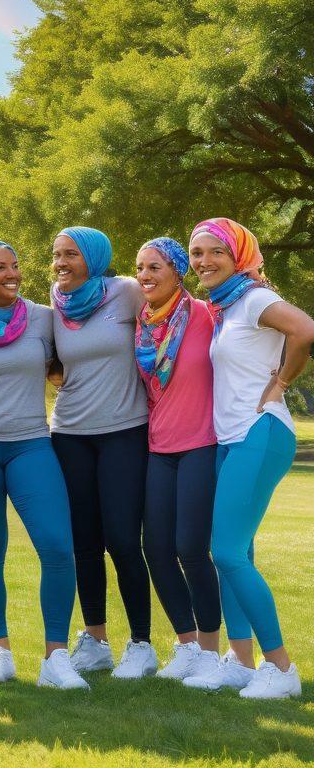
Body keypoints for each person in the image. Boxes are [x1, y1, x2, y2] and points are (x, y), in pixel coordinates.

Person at [181, 218, 314, 699]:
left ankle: (281, 669)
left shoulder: (255, 297)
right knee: (236, 554)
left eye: (215, 251)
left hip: (260, 432)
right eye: (197, 253)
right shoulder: (229, 305)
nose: (203, 262)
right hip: (230, 437)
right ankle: (241, 662)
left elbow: (304, 329)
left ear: (239, 253)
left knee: (228, 552)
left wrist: (280, 384)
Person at [0, 240, 87, 690]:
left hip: (31, 443)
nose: (11, 273)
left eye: (14, 265)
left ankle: (56, 657)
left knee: (56, 546)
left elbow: (63, 368)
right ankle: (0, 652)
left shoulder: (44, 318)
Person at [49, 226, 157, 679]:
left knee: (122, 541)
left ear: (93, 256)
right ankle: (95, 641)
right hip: (69, 434)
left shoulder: (128, 292)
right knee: (84, 544)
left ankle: (142, 645)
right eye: (56, 255)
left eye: (71, 254)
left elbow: (176, 318)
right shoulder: (53, 304)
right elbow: (53, 362)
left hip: (124, 432)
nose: (61, 263)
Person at [134, 237, 221, 682]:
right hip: (158, 448)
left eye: (155, 267)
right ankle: (186, 645)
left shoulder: (207, 315)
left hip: (201, 444)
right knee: (157, 549)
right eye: (140, 268)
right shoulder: (141, 324)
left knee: (191, 547)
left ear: (178, 271)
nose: (146, 276)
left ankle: (211, 650)